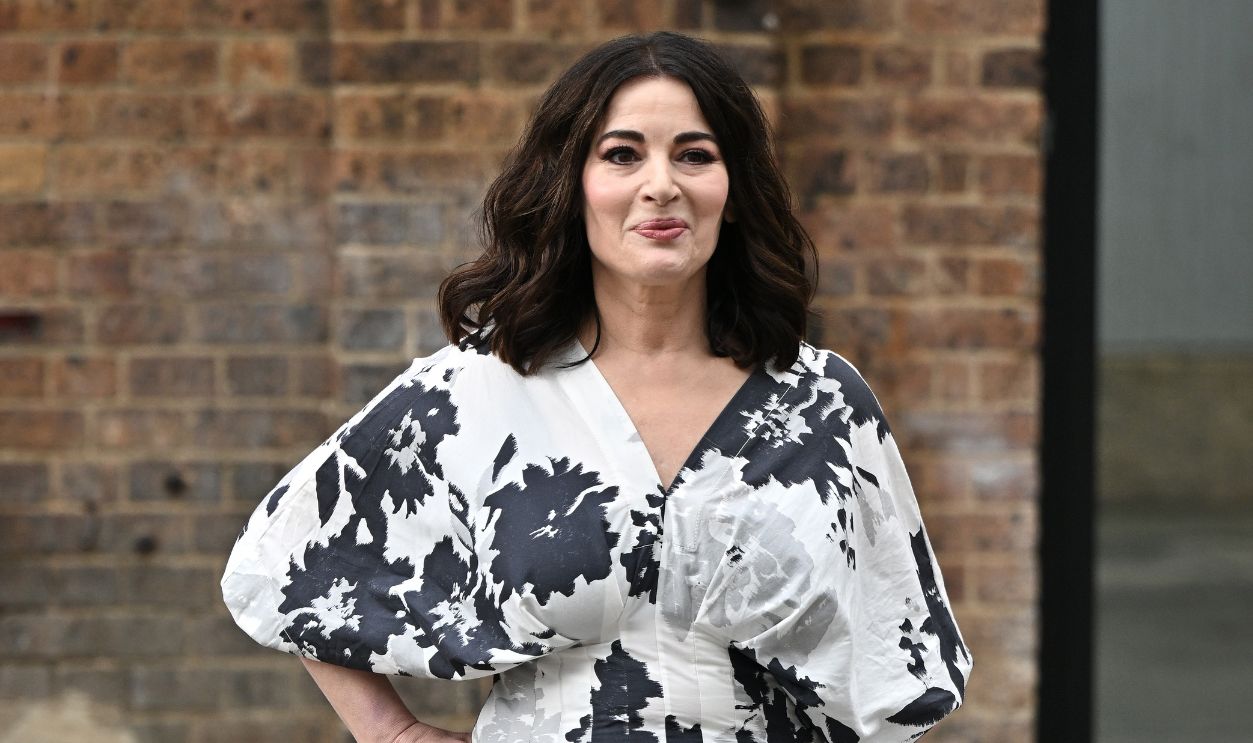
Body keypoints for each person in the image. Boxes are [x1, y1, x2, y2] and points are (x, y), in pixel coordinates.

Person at [221, 31, 971, 743]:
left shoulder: (822, 402)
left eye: (694, 155)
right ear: (571, 184)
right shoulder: (478, 389)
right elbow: (281, 564)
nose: (660, 185)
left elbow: (905, 660)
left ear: (732, 190)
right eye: (621, 154)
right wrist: (390, 729)